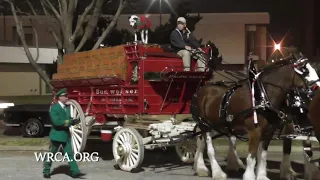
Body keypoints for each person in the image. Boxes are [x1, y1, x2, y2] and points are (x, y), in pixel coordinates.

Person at [43, 88, 84, 179]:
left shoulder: (67, 108)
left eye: (66, 96)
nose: (67, 97)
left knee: (70, 155)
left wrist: (74, 121)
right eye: (65, 96)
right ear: (60, 97)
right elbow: (57, 122)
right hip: (57, 135)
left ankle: (75, 172)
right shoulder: (54, 108)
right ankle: (46, 171)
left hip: (66, 135)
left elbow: (71, 116)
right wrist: (70, 122)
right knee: (51, 154)